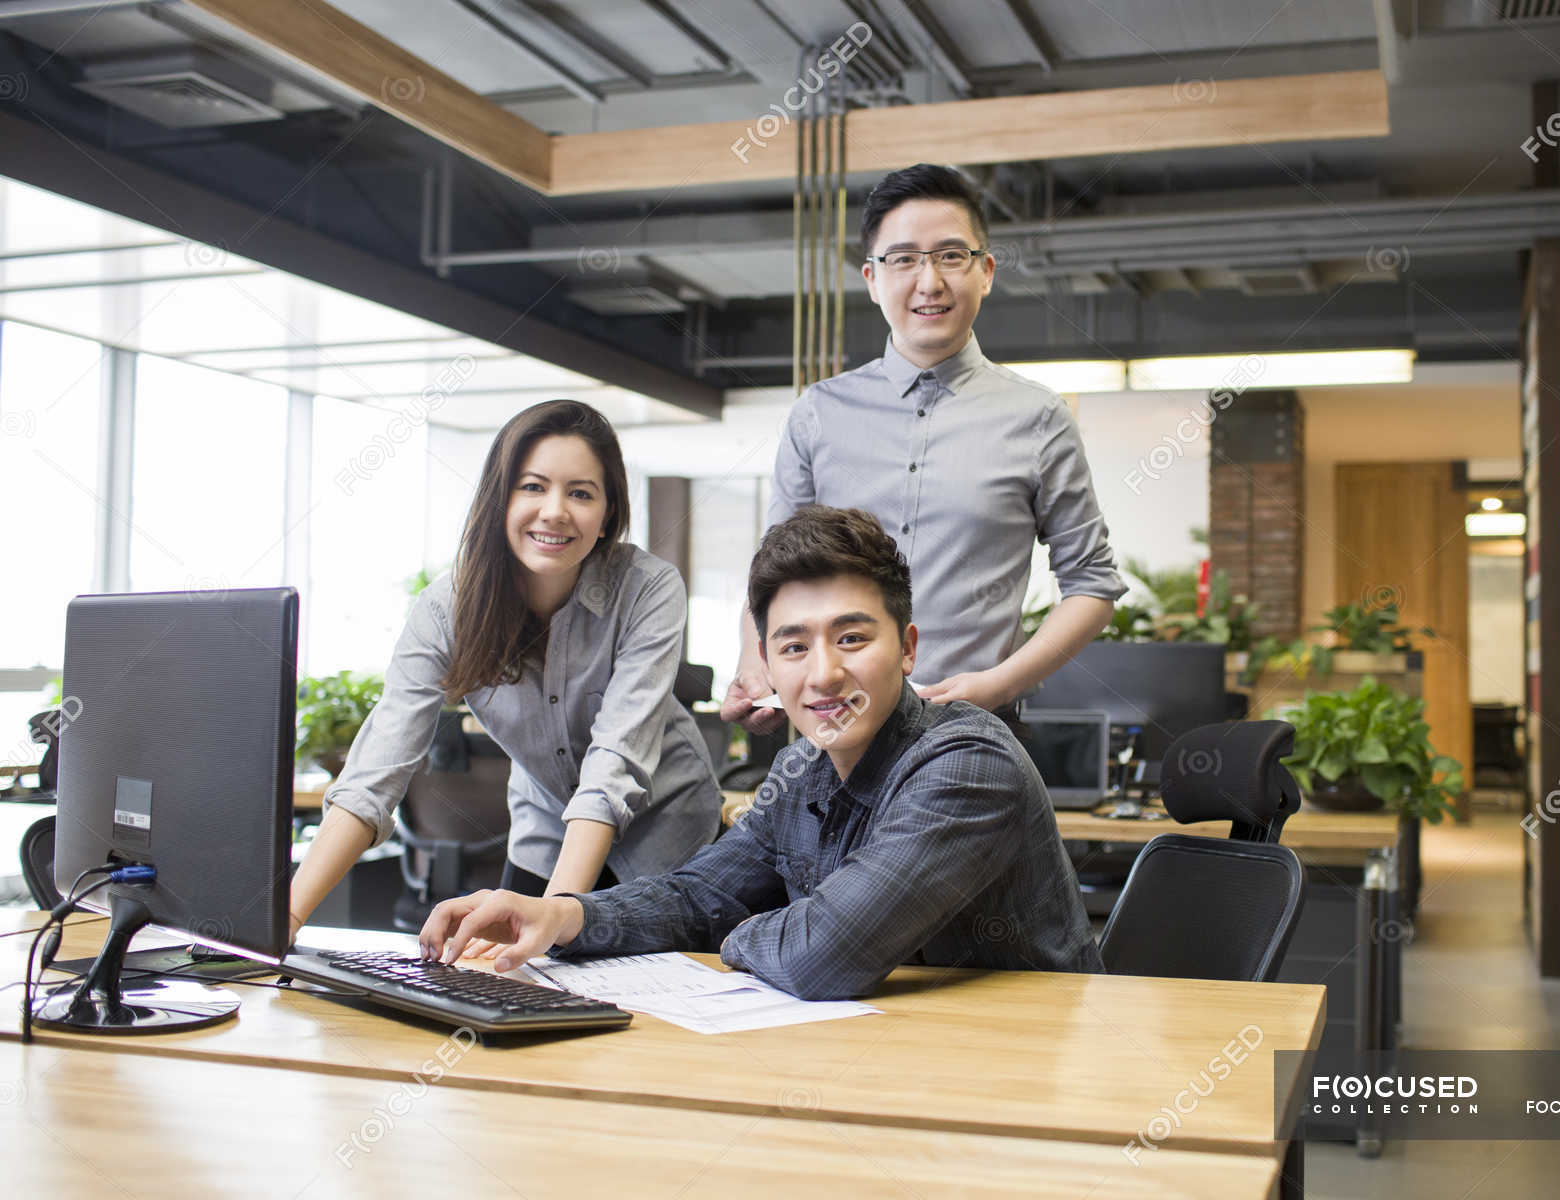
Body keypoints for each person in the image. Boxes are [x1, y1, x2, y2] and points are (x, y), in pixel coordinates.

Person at [418, 506, 1103, 999]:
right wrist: (562, 915)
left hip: (1028, 1074)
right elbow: (700, 895)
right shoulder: (801, 770)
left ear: (910, 648)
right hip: (891, 1064)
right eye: (795, 646)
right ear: (770, 663)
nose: (824, 674)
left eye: (853, 639)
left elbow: (822, 957)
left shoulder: (965, 765)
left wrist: (740, 930)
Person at [288, 399, 719, 944]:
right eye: (533, 486)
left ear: (607, 512)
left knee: (644, 1006)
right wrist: (290, 918)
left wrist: (558, 918)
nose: (555, 511)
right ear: (500, 497)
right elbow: (374, 774)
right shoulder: (448, 609)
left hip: (668, 833)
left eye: (581, 493)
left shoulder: (647, 589)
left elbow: (613, 766)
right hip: (545, 831)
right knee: (512, 989)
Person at [722, 163, 1124, 736]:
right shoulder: (819, 413)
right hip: (835, 732)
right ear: (871, 277)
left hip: (973, 731)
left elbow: (1093, 583)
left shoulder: (1038, 417)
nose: (929, 281)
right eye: (904, 258)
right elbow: (774, 576)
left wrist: (1000, 684)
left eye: (951, 256)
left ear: (985, 272)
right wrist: (753, 662)